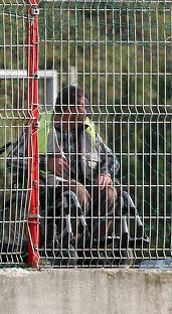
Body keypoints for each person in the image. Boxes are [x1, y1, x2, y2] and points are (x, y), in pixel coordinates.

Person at [8, 86, 144, 249]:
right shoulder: (39, 126)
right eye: (83, 106)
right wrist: (46, 162)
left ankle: (94, 246)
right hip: (49, 185)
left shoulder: (87, 127)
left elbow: (110, 157)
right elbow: (12, 160)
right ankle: (74, 243)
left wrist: (105, 173)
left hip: (84, 181)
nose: (87, 109)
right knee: (77, 191)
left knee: (108, 191)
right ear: (68, 109)